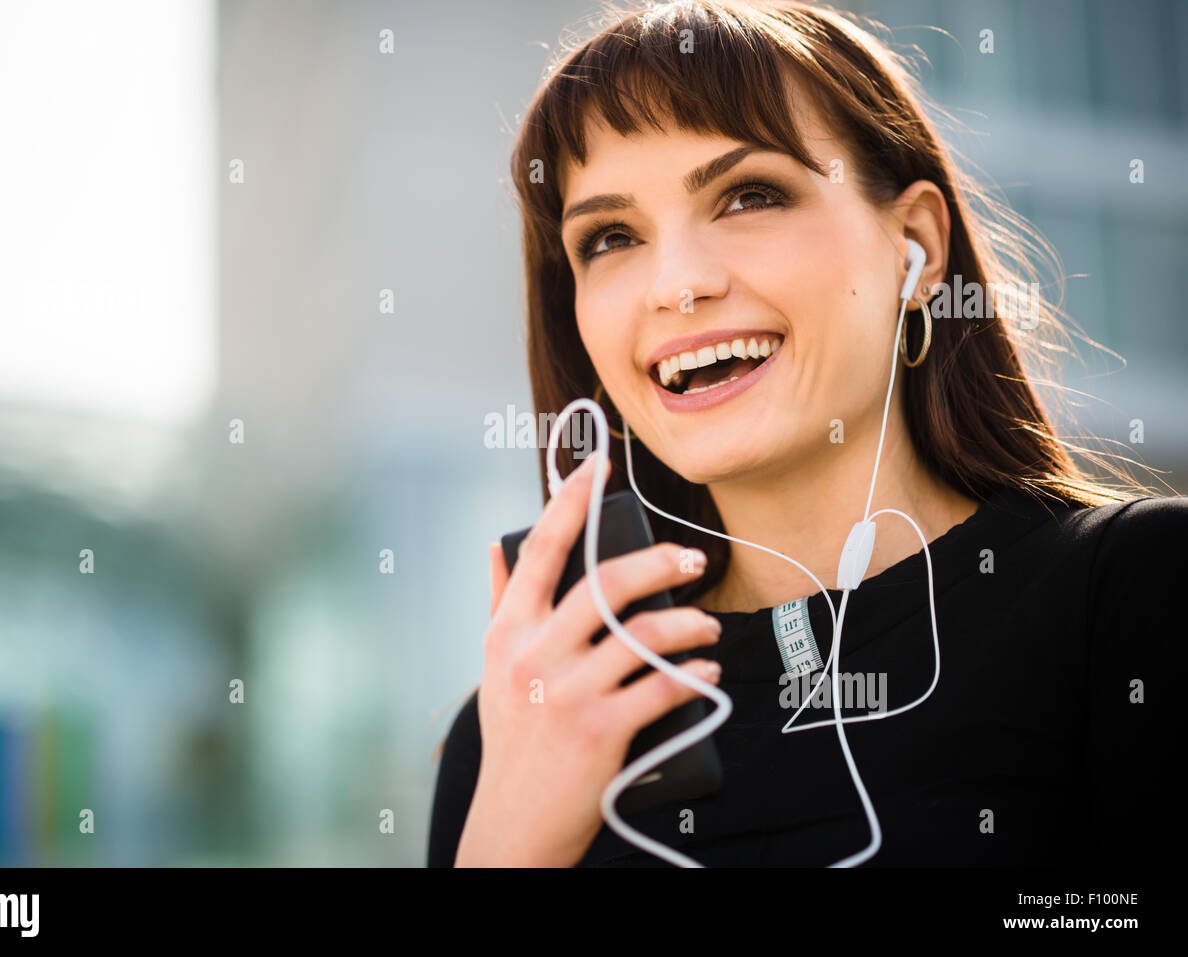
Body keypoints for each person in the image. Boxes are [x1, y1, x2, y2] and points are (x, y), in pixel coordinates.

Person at [427, 0, 1184, 868]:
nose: (675, 286)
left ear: (916, 247)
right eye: (610, 237)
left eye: (749, 196)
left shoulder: (1137, 594)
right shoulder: (531, 717)